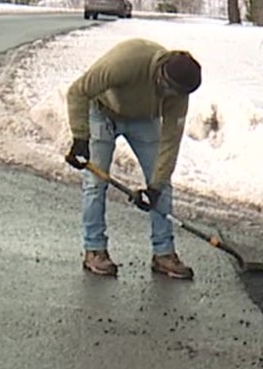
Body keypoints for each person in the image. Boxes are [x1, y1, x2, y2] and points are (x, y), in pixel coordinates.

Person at [63, 38, 203, 280]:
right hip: (103, 113)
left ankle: (164, 253)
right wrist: (80, 138)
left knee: (162, 183)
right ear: (161, 74)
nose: (170, 96)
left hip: (144, 120)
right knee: (95, 184)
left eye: (176, 93)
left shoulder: (179, 92)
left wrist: (155, 187)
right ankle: (94, 249)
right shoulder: (125, 63)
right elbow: (78, 91)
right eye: (168, 89)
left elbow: (170, 142)